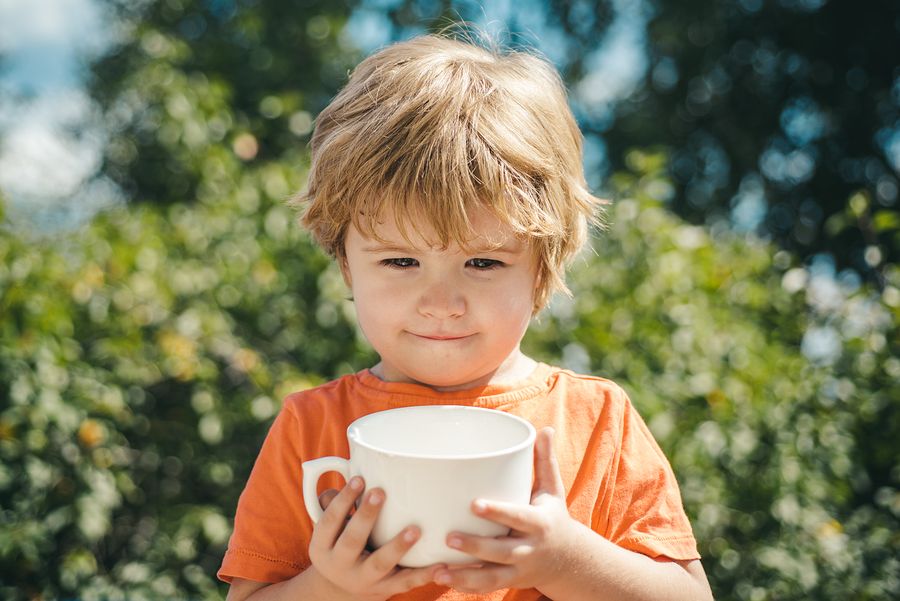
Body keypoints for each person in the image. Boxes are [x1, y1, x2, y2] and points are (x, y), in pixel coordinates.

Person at [218, 32, 714, 601]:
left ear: (543, 268)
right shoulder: (310, 429)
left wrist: (565, 560)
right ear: (347, 265)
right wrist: (331, 586)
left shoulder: (597, 421)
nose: (441, 302)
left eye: (482, 262)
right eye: (401, 261)